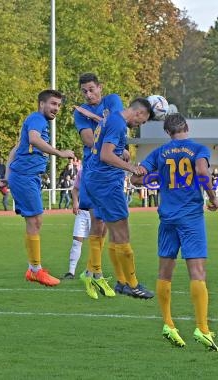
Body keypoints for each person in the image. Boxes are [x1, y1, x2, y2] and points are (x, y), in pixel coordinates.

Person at [135, 113, 218, 350]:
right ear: (186, 127)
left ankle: (168, 323)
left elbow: (136, 178)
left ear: (167, 132)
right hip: (190, 218)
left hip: (167, 217)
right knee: (197, 271)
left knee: (165, 271)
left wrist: (154, 176)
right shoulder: (197, 149)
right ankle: (202, 329)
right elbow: (203, 173)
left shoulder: (159, 153)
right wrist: (212, 197)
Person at [83, 97, 155, 299]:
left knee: (115, 233)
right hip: (106, 183)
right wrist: (132, 167)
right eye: (141, 121)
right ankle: (132, 284)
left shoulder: (109, 119)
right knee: (122, 232)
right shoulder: (117, 123)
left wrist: (121, 153)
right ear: (139, 113)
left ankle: (122, 282)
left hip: (97, 180)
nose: (138, 125)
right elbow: (106, 155)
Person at [7, 89, 75, 286]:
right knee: (35, 220)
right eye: (53, 104)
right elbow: (35, 140)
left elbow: (16, 148)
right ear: (41, 104)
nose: (56, 109)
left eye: (59, 105)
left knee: (35, 221)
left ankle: (33, 269)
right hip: (25, 177)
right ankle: (35, 269)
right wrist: (60, 153)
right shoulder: (37, 119)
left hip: (27, 177)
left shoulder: (35, 121)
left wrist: (6, 176)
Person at [73, 72, 126, 299]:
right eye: (84, 91)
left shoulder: (112, 100)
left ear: (100, 87)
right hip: (95, 171)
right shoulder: (79, 115)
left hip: (113, 169)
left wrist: (96, 119)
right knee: (98, 221)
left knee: (104, 223)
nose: (88, 94)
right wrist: (107, 132)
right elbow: (89, 141)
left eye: (91, 89)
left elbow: (118, 123)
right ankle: (95, 274)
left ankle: (91, 272)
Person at [63, 167, 91, 279]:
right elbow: (75, 189)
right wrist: (75, 202)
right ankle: (71, 271)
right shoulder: (82, 171)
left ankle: (92, 271)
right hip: (82, 212)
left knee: (96, 243)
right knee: (76, 242)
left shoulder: (102, 169)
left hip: (97, 212)